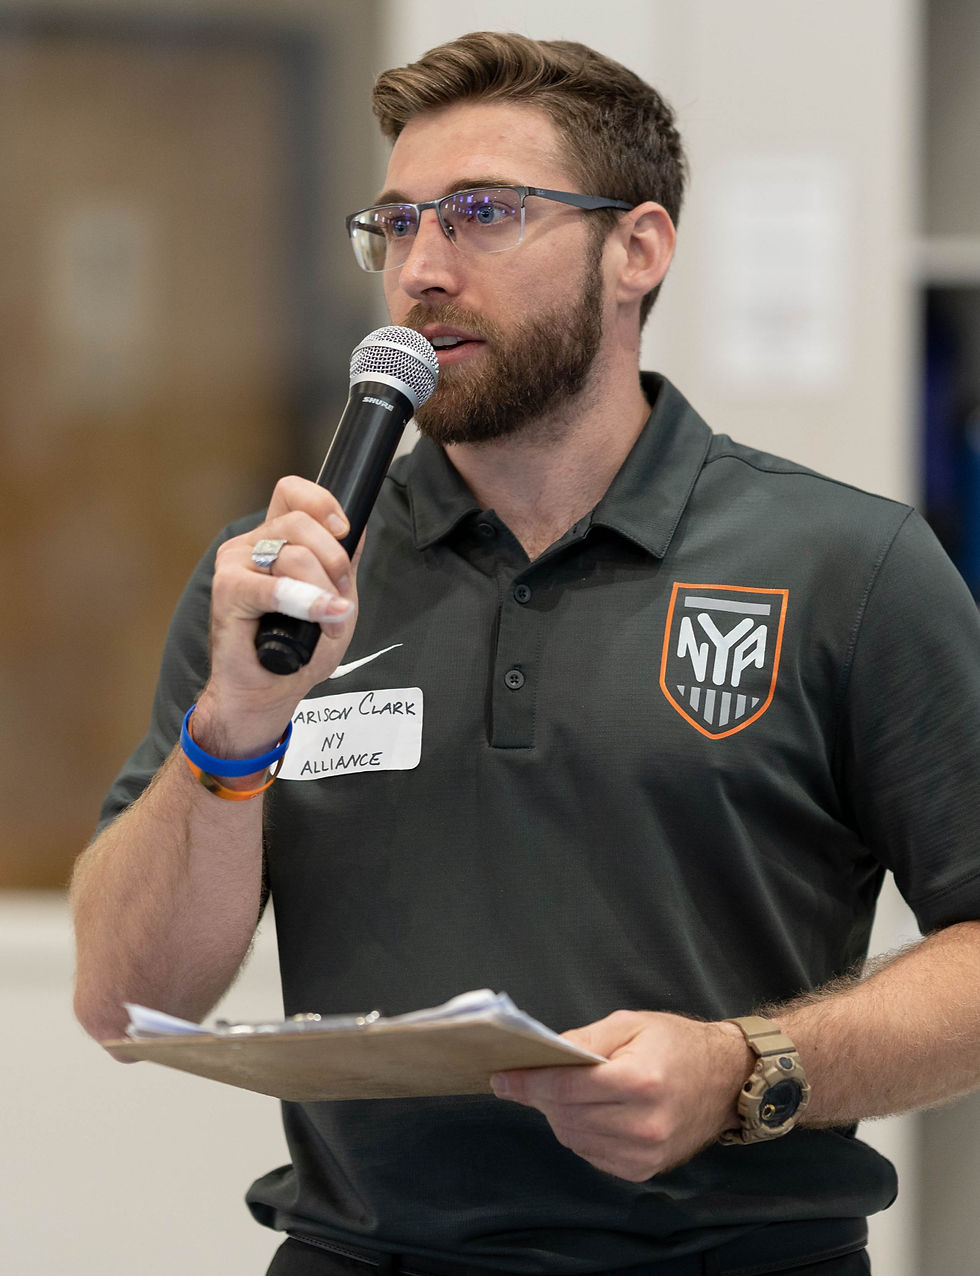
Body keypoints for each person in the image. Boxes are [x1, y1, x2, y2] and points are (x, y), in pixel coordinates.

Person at [71, 30, 980, 1276]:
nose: (420, 271)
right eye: (393, 225)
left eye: (481, 213)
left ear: (637, 248)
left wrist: (743, 1069)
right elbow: (124, 1001)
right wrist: (234, 725)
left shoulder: (845, 564)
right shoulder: (284, 582)